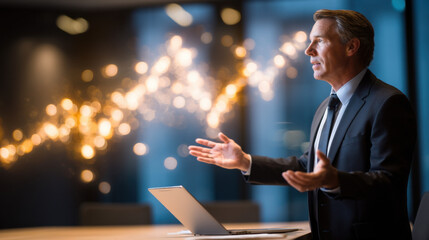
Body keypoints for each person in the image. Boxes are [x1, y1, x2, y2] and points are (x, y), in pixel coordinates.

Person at [188, 9, 417, 240]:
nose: (309, 51)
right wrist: (245, 161)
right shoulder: (325, 107)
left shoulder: (387, 103)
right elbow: (307, 167)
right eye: (310, 42)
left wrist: (336, 180)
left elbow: (389, 182)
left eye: (319, 41)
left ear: (351, 47)